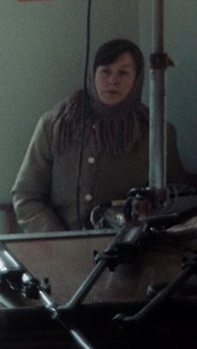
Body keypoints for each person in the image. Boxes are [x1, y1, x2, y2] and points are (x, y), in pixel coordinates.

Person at [12, 38, 194, 232]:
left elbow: (175, 198)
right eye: (105, 71)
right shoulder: (55, 125)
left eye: (123, 73)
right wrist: (58, 238)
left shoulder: (156, 133)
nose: (113, 81)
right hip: (61, 242)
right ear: (92, 74)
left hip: (126, 244)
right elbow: (27, 195)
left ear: (137, 79)